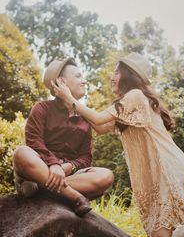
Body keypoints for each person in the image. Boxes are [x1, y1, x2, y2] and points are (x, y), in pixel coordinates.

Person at [51, 52, 184, 237]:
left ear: (128, 75)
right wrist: (69, 104)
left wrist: (71, 99)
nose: (113, 76)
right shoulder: (129, 104)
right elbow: (99, 126)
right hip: (160, 170)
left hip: (166, 169)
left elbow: (97, 118)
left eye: (117, 71)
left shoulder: (135, 96)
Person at [13, 57, 114, 217]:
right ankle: (74, 196)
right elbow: (34, 141)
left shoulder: (85, 119)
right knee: (21, 153)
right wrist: (53, 164)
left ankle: (40, 189)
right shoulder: (42, 108)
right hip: (42, 168)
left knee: (106, 176)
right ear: (62, 82)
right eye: (78, 76)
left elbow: (85, 157)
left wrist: (70, 167)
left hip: (64, 174)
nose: (84, 81)